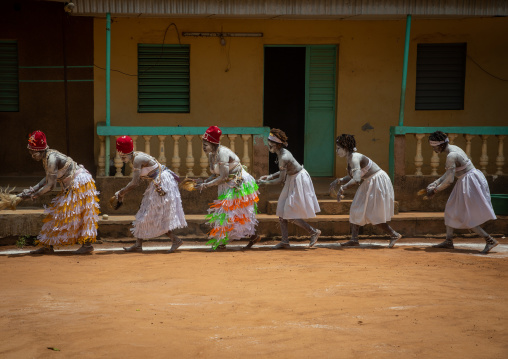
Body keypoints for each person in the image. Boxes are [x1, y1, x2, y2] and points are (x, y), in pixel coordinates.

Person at [18, 130, 99, 254]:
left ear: (40, 150)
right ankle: (47, 246)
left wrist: (35, 195)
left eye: (33, 152)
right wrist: (32, 189)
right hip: (71, 185)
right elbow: (48, 177)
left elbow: (50, 186)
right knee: (57, 213)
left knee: (79, 214)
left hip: (81, 184)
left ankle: (87, 245)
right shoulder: (47, 157)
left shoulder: (51, 159)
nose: (32, 155)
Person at [425, 131, 498, 254]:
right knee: (450, 209)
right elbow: (450, 173)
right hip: (467, 181)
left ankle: (490, 240)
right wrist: (436, 183)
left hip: (470, 183)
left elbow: (449, 180)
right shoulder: (452, 148)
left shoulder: (451, 156)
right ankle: (449, 241)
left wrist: (435, 190)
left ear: (441, 145)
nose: (434, 149)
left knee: (467, 215)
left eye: (434, 147)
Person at [114, 136, 187, 253]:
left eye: (123, 156)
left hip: (162, 183)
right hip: (157, 183)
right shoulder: (135, 157)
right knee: (145, 213)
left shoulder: (137, 159)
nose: (122, 159)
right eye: (120, 156)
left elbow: (135, 183)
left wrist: (121, 193)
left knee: (153, 214)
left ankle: (175, 240)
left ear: (128, 153)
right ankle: (139, 244)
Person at [195, 126, 260, 250]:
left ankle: (223, 241)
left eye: (206, 144)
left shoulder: (223, 153)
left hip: (238, 183)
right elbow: (215, 174)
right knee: (228, 213)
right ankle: (252, 237)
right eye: (203, 144)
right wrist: (203, 181)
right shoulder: (211, 155)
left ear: (213, 143)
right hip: (227, 184)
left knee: (233, 212)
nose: (203, 147)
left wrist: (206, 185)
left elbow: (223, 176)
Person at [330, 134, 401, 248]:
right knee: (356, 209)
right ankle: (354, 239)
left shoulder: (354, 158)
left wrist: (342, 188)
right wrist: (339, 181)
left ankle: (394, 234)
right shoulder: (350, 158)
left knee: (374, 213)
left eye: (338, 148)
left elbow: (357, 179)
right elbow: (355, 176)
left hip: (377, 182)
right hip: (369, 181)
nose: (336, 151)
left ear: (345, 147)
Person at [257, 129, 321, 249]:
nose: (268, 144)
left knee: (289, 213)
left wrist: (265, 182)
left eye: (270, 142)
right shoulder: (280, 153)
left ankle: (313, 232)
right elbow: (282, 173)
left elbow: (280, 180)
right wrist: (269, 176)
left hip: (298, 180)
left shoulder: (284, 156)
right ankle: (285, 241)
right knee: (281, 211)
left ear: (277, 144)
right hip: (292, 179)